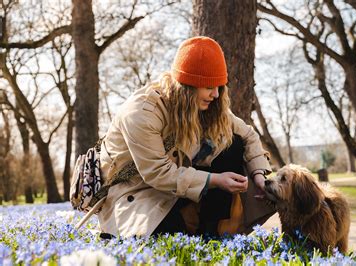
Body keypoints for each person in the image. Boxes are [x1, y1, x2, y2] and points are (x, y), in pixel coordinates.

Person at [98, 36, 275, 238]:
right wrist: (215, 180)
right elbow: (157, 173)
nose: (216, 95)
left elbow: (248, 135)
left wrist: (258, 176)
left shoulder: (204, 105)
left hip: (180, 183)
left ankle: (212, 232)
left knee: (233, 143)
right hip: (138, 190)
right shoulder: (141, 113)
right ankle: (190, 230)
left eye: (219, 87)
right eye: (209, 87)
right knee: (171, 239)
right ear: (187, 88)